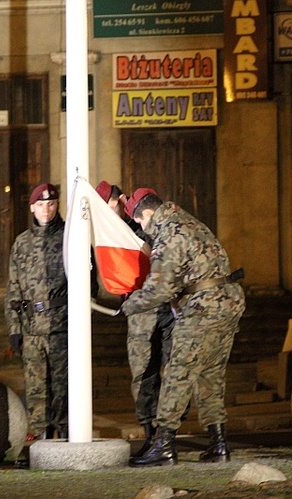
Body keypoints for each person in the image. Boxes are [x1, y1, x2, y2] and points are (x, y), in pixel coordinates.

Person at [120, 188, 245, 467]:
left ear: (149, 214)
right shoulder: (188, 221)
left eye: (140, 222)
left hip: (203, 308)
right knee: (211, 375)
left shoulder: (168, 233)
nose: (143, 228)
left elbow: (159, 289)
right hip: (228, 303)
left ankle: (164, 445)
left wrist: (128, 306)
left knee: (178, 375)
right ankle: (219, 443)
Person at [95, 181, 176, 462]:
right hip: (138, 311)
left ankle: (168, 438)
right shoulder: (111, 232)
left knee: (171, 373)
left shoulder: (146, 221)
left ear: (120, 202)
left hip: (164, 307)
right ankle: (151, 436)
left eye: (111, 207)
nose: (108, 214)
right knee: (143, 376)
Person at [5, 182, 69, 441]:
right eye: (41, 205)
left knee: (63, 387)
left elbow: (89, 284)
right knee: (36, 388)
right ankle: (41, 439)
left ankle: (65, 436)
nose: (46, 209)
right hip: (32, 328)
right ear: (32, 207)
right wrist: (14, 329)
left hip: (61, 326)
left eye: (51, 204)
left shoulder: (69, 237)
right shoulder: (22, 243)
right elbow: (13, 290)